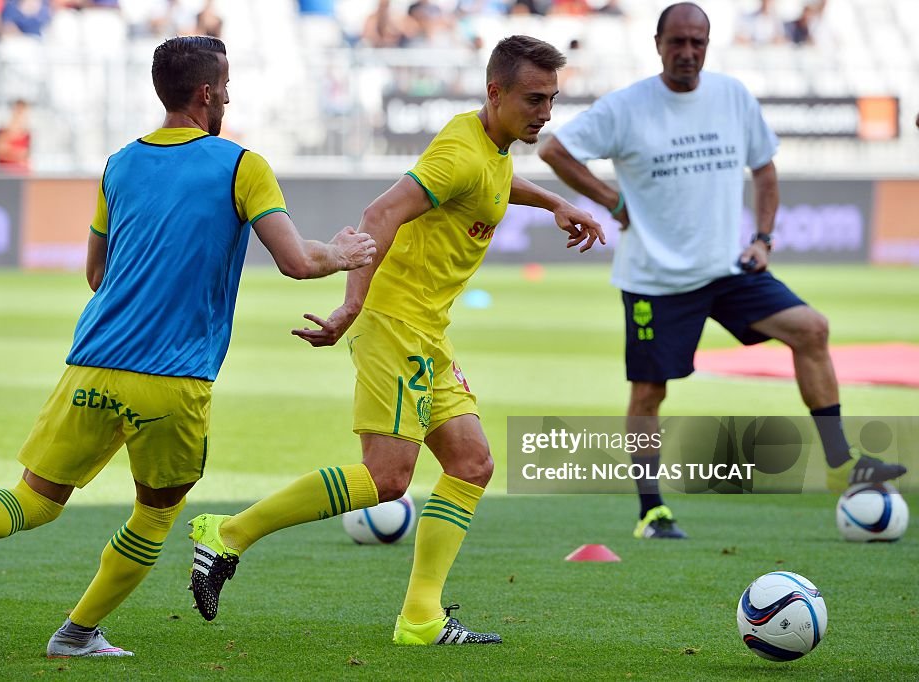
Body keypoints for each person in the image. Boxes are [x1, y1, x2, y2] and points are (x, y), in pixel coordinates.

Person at [0, 35, 376, 656]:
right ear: (206, 92)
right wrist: (340, 254)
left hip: (91, 362)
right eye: (225, 84)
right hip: (172, 378)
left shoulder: (119, 163)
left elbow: (96, 272)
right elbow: (293, 260)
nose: (228, 95)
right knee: (155, 512)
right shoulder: (241, 164)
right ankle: (77, 632)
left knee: (35, 497)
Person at [186, 34, 604, 645]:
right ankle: (228, 534)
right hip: (394, 323)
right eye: (534, 99)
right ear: (497, 92)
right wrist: (352, 304)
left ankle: (421, 618)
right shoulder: (460, 153)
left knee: (471, 464)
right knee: (387, 479)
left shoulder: (489, 143)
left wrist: (554, 203)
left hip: (427, 331)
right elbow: (380, 213)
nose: (545, 112)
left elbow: (495, 183)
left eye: (552, 100)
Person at [538, 2, 907, 539]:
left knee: (812, 329)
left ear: (708, 45)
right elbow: (554, 148)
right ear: (658, 42)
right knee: (649, 393)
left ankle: (841, 463)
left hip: (726, 268)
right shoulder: (627, 106)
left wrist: (763, 239)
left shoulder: (731, 96)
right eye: (678, 42)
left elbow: (765, 168)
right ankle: (651, 511)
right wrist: (611, 202)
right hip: (655, 280)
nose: (687, 52)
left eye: (698, 42)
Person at [0, 98, 32, 173]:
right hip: (4, 174)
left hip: (21, 174)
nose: (20, 116)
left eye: (22, 112)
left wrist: (9, 151)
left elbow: (25, 155)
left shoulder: (27, 134)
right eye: (18, 111)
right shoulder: (2, 131)